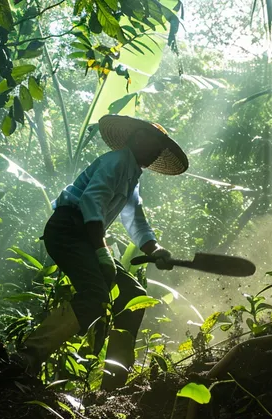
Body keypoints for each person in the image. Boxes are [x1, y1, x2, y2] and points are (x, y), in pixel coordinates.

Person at [19, 114, 188, 389]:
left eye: (161, 146)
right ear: (136, 137)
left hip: (85, 236)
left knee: (133, 295)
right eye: (154, 142)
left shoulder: (132, 174)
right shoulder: (117, 161)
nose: (158, 150)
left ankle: (114, 383)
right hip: (68, 230)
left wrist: (155, 249)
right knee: (95, 295)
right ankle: (27, 357)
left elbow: (136, 221)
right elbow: (91, 201)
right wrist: (101, 250)